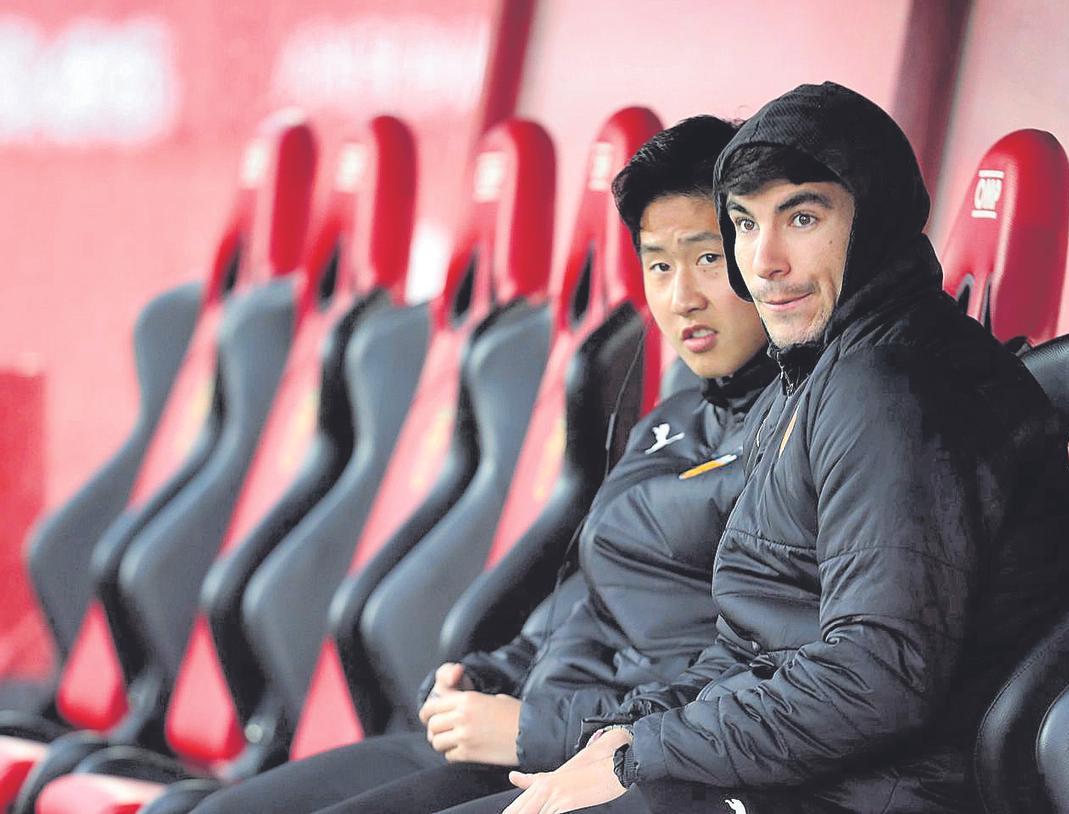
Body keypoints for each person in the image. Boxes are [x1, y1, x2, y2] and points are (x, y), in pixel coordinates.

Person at [451, 81, 1069, 814]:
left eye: (803, 217)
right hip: (800, 773)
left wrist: (641, 753)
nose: (766, 260)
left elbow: (877, 676)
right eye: (745, 226)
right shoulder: (826, 369)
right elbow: (756, 648)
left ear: (873, 219)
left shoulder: (890, 385)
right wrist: (623, 737)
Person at [194, 114, 776, 814]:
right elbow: (587, 607)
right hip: (541, 731)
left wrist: (536, 729)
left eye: (707, 258)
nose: (681, 296)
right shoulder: (671, 422)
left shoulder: (804, 432)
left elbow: (756, 678)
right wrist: (488, 678)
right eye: (659, 264)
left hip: (622, 759)